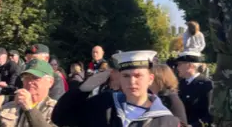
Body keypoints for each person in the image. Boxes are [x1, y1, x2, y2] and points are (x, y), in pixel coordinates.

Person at [52, 50, 180, 127]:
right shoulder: (105, 104)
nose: (132, 81)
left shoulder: (166, 121)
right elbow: (61, 118)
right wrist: (82, 90)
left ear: (150, 79)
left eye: (138, 76)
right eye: (126, 76)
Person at [0, 59, 58, 126]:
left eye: (35, 78)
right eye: (26, 78)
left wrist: (30, 109)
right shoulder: (10, 106)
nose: (30, 82)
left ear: (50, 82)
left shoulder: (56, 110)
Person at [176, 52, 211, 127]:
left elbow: (210, 115)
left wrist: (192, 126)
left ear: (190, 66)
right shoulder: (181, 83)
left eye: (179, 64)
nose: (177, 67)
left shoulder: (206, 85)